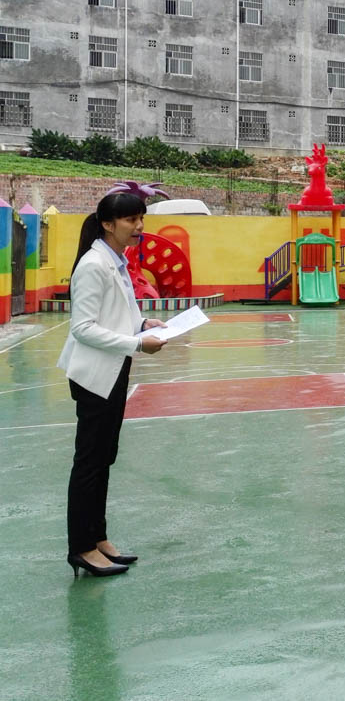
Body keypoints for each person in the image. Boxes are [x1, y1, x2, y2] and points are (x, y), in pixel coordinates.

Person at [60, 193, 167, 578]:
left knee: (104, 458)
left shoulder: (116, 260)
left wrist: (143, 325)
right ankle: (81, 548)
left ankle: (98, 538)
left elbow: (117, 315)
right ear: (108, 224)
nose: (139, 227)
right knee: (89, 463)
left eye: (141, 218)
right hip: (94, 376)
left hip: (114, 370)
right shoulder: (93, 265)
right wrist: (136, 343)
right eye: (131, 220)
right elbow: (83, 328)